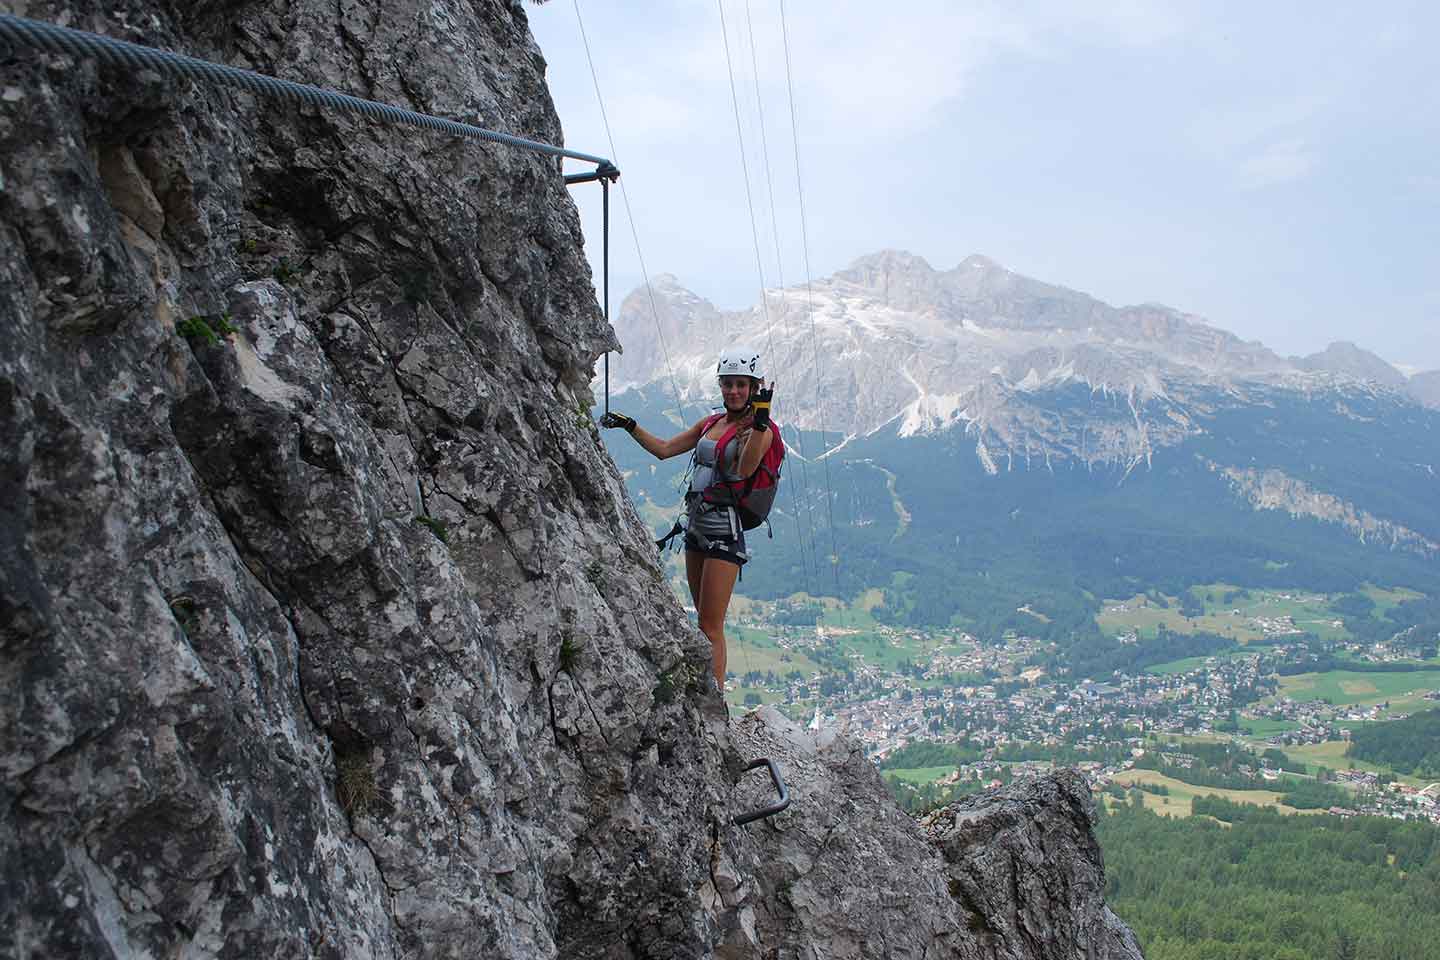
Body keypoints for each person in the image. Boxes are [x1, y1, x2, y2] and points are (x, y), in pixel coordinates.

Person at [600, 343, 775, 691]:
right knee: (701, 624)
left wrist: (758, 425)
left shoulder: (761, 431)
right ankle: (707, 693)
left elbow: (744, 469)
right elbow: (665, 450)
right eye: (728, 383)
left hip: (724, 532)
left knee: (711, 626)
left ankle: (716, 699)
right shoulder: (711, 423)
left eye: (741, 384)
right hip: (696, 527)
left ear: (754, 387)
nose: (733, 391)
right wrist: (630, 426)